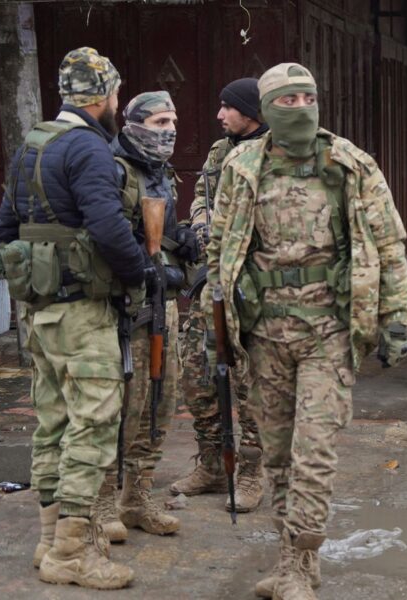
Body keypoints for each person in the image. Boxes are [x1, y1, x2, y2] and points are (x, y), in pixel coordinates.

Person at [205, 63, 407, 599]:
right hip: (264, 335)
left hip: (329, 333)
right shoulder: (243, 164)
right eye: (287, 99)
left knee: (313, 453)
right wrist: (216, 319)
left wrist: (396, 318)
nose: (299, 107)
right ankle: (288, 558)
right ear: (267, 108)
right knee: (275, 455)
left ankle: (301, 565)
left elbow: (390, 246)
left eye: (307, 97)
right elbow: (221, 245)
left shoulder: (349, 163)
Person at [0, 47, 147, 589]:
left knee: (51, 424)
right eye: (117, 95)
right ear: (102, 98)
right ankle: (73, 555)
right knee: (94, 425)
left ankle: (48, 540)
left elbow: (3, 228)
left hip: (38, 315)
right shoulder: (89, 149)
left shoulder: (31, 146)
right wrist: (141, 273)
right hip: (81, 313)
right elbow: (107, 226)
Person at [90, 91, 198, 542]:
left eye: (172, 120)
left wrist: (183, 242)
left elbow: (165, 234)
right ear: (133, 124)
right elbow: (104, 233)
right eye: (158, 122)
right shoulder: (113, 170)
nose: (168, 130)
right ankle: (100, 503)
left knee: (161, 402)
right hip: (123, 309)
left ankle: (137, 498)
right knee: (118, 409)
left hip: (162, 306)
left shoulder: (161, 174)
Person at [172, 77, 269, 513]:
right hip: (209, 278)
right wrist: (199, 227)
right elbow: (200, 198)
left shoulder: (277, 153)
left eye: (227, 107)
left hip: (253, 285)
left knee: (250, 384)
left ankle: (250, 471)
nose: (219, 114)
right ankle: (211, 463)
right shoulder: (218, 151)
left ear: (251, 111)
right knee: (196, 374)